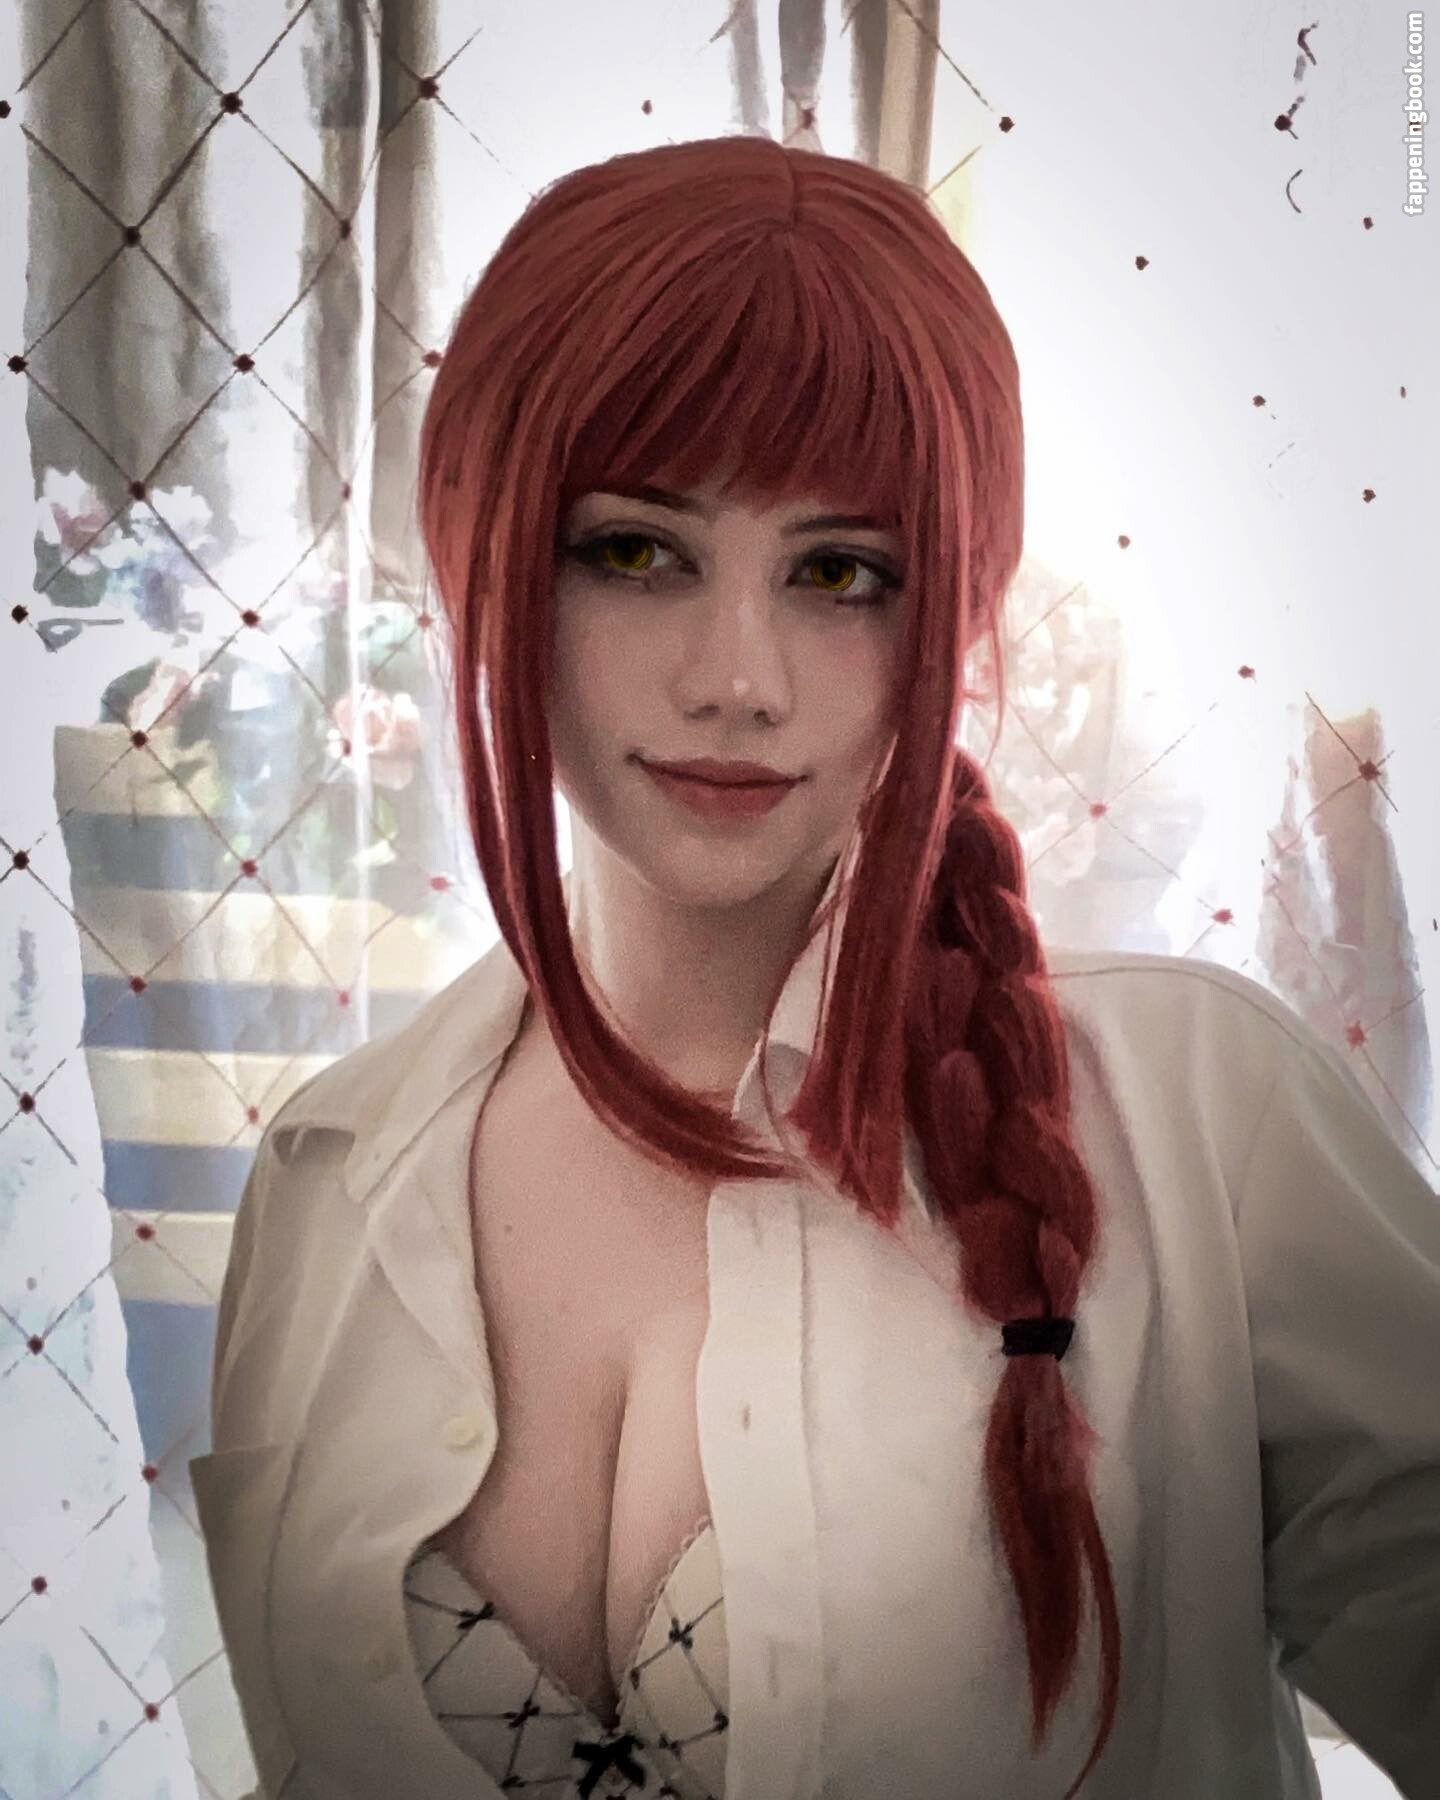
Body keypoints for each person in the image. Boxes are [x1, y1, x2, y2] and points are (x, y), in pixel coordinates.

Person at [192, 134, 1440, 1800]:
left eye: (840, 572)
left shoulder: (1199, 1118)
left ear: (955, 608)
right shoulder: (329, 1178)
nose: (740, 678)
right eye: (636, 551)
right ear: (479, 552)